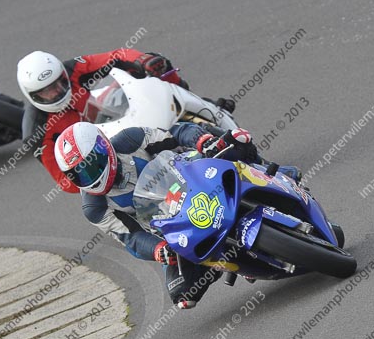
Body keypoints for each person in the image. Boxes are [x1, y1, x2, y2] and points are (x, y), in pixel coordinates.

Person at [53, 121, 275, 309]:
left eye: (91, 165)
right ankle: (232, 261)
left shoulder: (131, 139)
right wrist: (158, 250)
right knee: (183, 293)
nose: (89, 175)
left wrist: (201, 140)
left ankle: (271, 174)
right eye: (79, 174)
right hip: (173, 226)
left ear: (104, 147)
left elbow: (176, 133)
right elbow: (131, 237)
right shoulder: (94, 207)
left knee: (234, 141)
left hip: (194, 179)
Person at [17, 49, 233, 194]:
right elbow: (65, 182)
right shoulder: (36, 131)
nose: (56, 92)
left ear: (63, 74)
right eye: (47, 91)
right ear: (33, 96)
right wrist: (94, 166)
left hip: (111, 113)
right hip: (100, 149)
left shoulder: (74, 69)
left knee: (157, 64)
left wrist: (141, 60)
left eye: (59, 83)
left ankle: (203, 105)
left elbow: (117, 57)